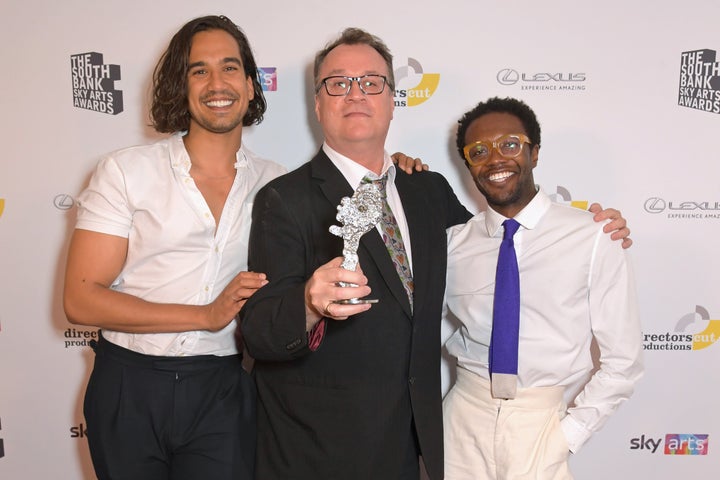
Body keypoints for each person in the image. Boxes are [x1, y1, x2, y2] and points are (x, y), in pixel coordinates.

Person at [239, 29, 631, 480]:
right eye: (338, 83)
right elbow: (260, 334)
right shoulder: (283, 198)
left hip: (418, 447)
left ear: (391, 100)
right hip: (318, 452)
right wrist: (308, 302)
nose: (355, 94)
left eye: (371, 82)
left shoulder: (428, 190)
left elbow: (501, 240)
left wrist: (594, 228)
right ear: (318, 103)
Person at [62, 15, 286, 480]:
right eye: (198, 70)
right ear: (179, 86)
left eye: (229, 67)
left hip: (223, 390)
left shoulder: (277, 185)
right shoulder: (125, 171)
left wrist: (399, 170)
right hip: (128, 384)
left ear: (249, 84)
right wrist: (203, 315)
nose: (216, 83)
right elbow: (81, 299)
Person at [442, 97, 644, 479]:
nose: (496, 159)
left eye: (511, 144)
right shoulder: (453, 244)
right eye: (479, 151)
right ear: (468, 166)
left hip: (540, 425)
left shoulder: (594, 236)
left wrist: (567, 435)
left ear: (534, 152)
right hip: (460, 424)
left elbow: (624, 361)